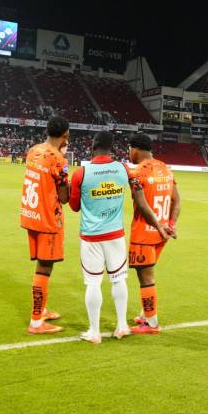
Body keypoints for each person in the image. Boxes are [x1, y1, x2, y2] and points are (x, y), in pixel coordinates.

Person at [68, 131, 170, 344]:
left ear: (94, 145)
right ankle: (122, 325)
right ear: (112, 146)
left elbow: (75, 206)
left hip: (91, 236)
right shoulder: (124, 169)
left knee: (93, 283)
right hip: (115, 235)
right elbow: (140, 199)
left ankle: (94, 332)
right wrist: (160, 224)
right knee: (118, 280)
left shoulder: (81, 173)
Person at [20, 116, 71, 335]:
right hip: (48, 219)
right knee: (45, 267)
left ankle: (42, 310)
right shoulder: (58, 159)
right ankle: (36, 322)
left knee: (42, 264)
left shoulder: (33, 150)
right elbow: (65, 197)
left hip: (30, 214)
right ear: (66, 135)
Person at [126, 133, 181, 335]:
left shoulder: (137, 172)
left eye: (129, 150)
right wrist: (171, 224)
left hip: (145, 233)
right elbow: (177, 201)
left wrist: (157, 225)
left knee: (145, 277)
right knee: (148, 273)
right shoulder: (165, 168)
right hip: (161, 234)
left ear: (135, 149)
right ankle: (145, 314)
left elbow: (141, 205)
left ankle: (151, 323)